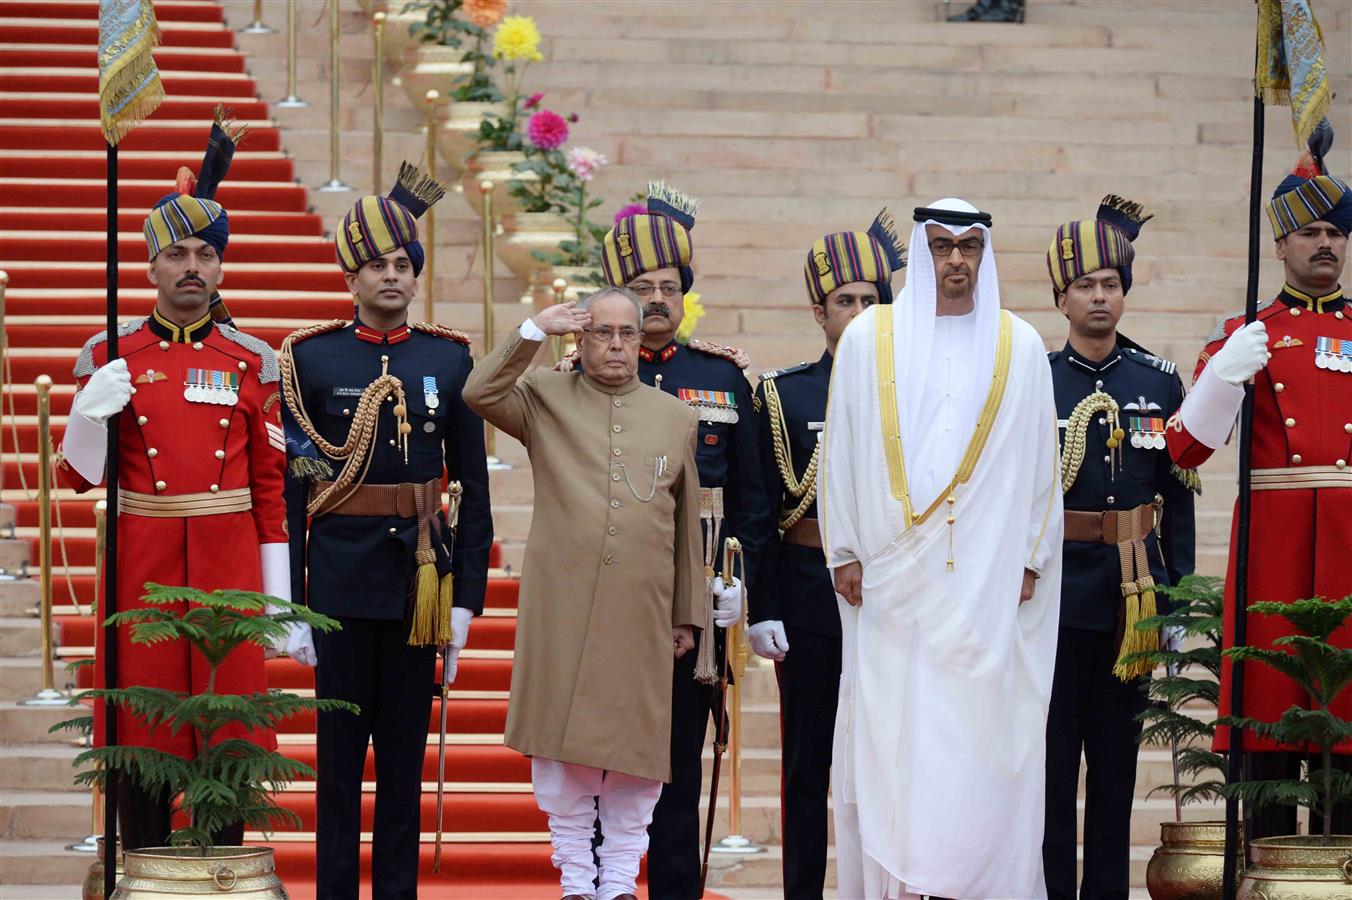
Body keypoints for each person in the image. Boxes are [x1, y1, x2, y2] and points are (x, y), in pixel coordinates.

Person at [57, 113, 295, 849]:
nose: (192, 266)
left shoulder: (251, 360)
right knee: (146, 722)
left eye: (204, 254)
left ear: (221, 268)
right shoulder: (109, 352)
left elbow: (270, 488)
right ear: (151, 266)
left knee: (224, 723)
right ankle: (146, 867)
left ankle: (222, 871)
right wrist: (89, 416)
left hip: (227, 557)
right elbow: (77, 479)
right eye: (176, 254)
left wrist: (279, 595)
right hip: (143, 560)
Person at [819, 198, 1064, 899]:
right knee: (898, 733)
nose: (955, 259)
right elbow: (842, 445)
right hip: (894, 581)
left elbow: (1043, 467)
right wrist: (842, 548)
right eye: (939, 245)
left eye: (969, 246)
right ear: (920, 254)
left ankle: (979, 883)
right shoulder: (871, 338)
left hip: (988, 581)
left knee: (979, 738)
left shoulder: (1019, 345)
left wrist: (1030, 559)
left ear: (985, 253)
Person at [280, 162, 493, 900]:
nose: (393, 276)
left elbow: (475, 483)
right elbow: (290, 490)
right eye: (377, 264)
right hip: (337, 583)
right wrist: (292, 604)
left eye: (403, 264)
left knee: (402, 764)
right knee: (338, 766)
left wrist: (467, 599)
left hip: (420, 586)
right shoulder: (309, 357)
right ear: (352, 274)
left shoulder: (447, 356)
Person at [463, 288, 708, 900]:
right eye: (602, 332)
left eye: (627, 333)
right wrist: (531, 330)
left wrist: (688, 615)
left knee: (635, 747)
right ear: (582, 339)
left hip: (642, 607)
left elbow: (685, 527)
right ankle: (577, 878)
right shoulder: (544, 396)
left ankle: (620, 880)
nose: (618, 345)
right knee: (560, 746)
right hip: (563, 604)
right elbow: (478, 392)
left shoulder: (675, 416)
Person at [1166, 155, 1352, 837]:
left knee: (1350, 743)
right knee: (1271, 737)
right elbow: (1185, 448)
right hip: (1276, 548)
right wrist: (1222, 377)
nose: (1325, 244)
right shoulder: (1249, 332)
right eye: (1309, 232)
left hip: (1350, 547)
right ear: (1280, 245)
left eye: (1336, 232)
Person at [592, 181, 769, 897]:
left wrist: (739, 583)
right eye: (642, 287)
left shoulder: (721, 377)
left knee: (679, 765)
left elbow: (754, 498)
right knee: (602, 763)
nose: (658, 299)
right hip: (612, 597)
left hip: (694, 601)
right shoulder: (588, 376)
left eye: (669, 286)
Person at [1042, 195, 1197, 899]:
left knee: (1113, 771)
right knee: (1048, 772)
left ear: (1124, 294)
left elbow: (1179, 498)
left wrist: (1176, 600)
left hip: (1130, 603)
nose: (1099, 296)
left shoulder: (1158, 383)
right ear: (1061, 299)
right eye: (1085, 286)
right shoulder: (1035, 380)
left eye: (1110, 284)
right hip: (1052, 601)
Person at [749, 210, 903, 900]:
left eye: (873, 301)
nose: (862, 312)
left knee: (893, 765)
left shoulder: (915, 389)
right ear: (820, 311)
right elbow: (759, 511)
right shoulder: (784, 395)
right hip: (810, 594)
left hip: (895, 595)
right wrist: (765, 605)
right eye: (847, 301)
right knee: (808, 767)